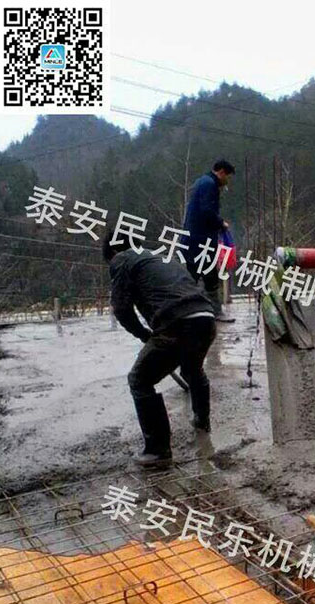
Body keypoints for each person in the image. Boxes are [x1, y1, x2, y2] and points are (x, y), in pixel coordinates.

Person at [103, 230, 216, 468]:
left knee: (139, 380)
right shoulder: (161, 257)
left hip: (176, 323)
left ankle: (158, 450)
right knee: (192, 369)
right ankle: (202, 421)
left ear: (113, 251)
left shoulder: (122, 258)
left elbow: (122, 308)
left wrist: (143, 334)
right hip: (206, 318)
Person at [182, 159, 236, 323]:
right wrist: (220, 223)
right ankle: (215, 312)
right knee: (209, 277)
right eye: (227, 177)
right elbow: (207, 211)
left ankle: (185, 312)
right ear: (222, 172)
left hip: (193, 238)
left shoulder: (202, 181)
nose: (227, 181)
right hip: (201, 240)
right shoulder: (209, 185)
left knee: (193, 277)